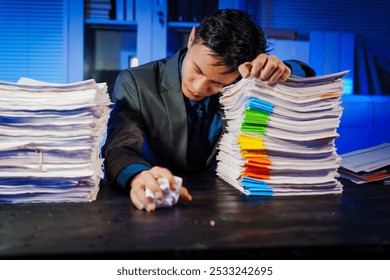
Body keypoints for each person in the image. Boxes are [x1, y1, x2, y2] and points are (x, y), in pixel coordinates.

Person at [102, 9, 315, 212]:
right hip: (159, 199)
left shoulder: (242, 83)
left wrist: (280, 70)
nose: (198, 87)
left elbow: (305, 73)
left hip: (225, 203)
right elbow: (119, 148)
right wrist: (138, 177)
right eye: (196, 69)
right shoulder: (136, 82)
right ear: (192, 37)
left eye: (217, 83)